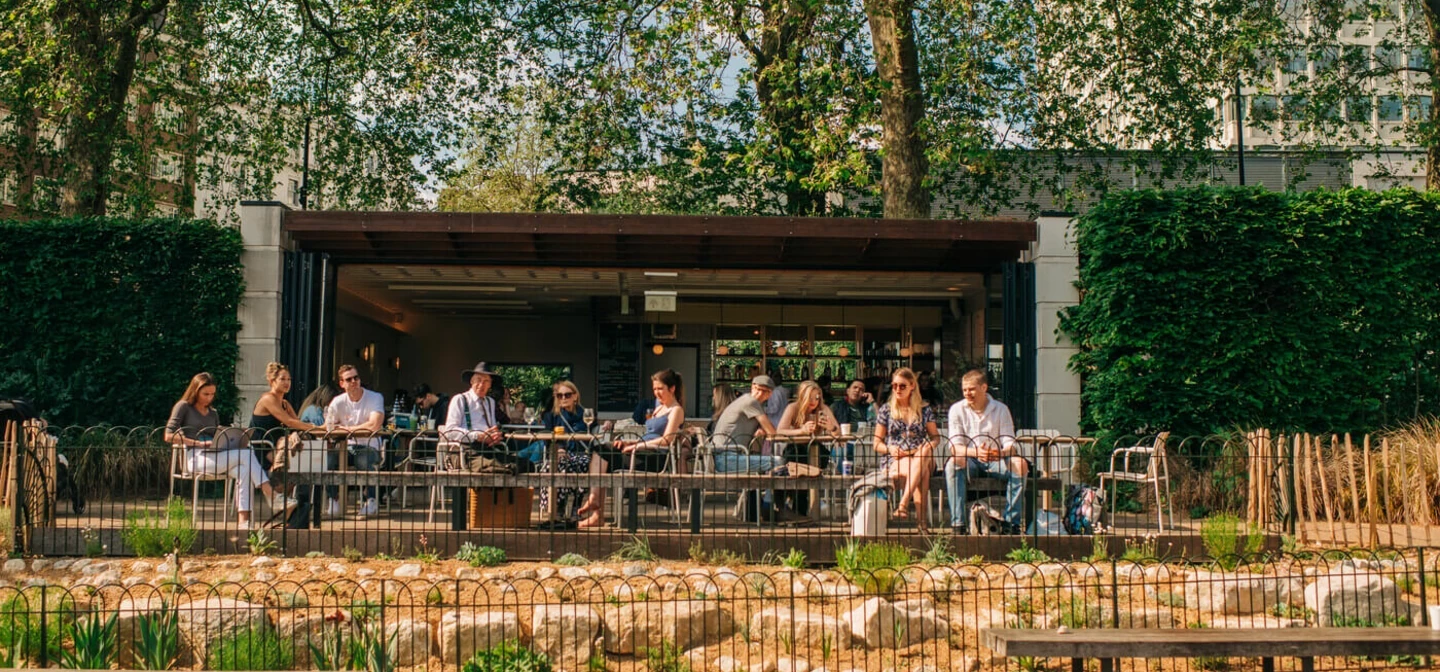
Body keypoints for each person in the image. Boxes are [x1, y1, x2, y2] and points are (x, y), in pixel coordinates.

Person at [165, 372, 294, 528]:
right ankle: (271, 494)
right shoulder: (184, 407)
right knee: (246, 455)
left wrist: (231, 439)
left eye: (212, 394)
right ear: (195, 391)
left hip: (216, 455)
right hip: (195, 456)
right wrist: (197, 443)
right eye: (205, 394)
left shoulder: (213, 413)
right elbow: (168, 435)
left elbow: (217, 436)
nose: (209, 398)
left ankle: (243, 522)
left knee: (243, 470)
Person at [578, 369, 685, 528]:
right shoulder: (658, 409)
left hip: (655, 457)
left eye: (660, 389)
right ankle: (596, 510)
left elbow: (667, 439)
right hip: (639, 452)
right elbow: (648, 434)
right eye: (654, 389)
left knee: (603, 453)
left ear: (672, 388)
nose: (657, 393)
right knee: (602, 452)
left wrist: (637, 446)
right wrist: (629, 443)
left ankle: (595, 507)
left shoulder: (676, 410)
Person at [945, 368, 1025, 534]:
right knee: (953, 463)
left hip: (997, 459)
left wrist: (1001, 452)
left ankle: (1011, 523)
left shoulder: (1001, 409)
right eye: (965, 390)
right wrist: (975, 452)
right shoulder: (956, 410)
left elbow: (1010, 442)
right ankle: (958, 525)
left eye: (971, 389)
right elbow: (954, 446)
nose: (967, 393)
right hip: (970, 460)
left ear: (984, 388)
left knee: (1020, 463)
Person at [874, 367, 939, 534]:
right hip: (897, 458)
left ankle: (903, 504)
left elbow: (935, 437)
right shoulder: (886, 410)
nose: (897, 389)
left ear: (912, 386)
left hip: (921, 454)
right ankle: (922, 525)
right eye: (894, 385)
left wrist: (927, 446)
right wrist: (889, 448)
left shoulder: (924, 409)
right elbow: (876, 443)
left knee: (923, 454)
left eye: (902, 386)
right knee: (920, 472)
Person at [710, 375, 817, 473]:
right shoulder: (751, 402)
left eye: (765, 391)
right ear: (752, 387)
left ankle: (768, 494)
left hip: (724, 456)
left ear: (770, 394)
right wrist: (800, 431)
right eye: (758, 389)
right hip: (726, 459)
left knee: (776, 461)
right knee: (779, 461)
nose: (760, 393)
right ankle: (774, 495)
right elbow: (773, 433)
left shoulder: (747, 400)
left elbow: (766, 430)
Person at [325, 364, 386, 518]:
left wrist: (346, 429)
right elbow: (329, 426)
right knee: (328, 460)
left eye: (356, 377)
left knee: (364, 460)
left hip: (369, 446)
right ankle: (333, 499)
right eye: (349, 379)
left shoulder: (374, 397)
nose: (354, 381)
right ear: (342, 383)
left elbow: (374, 425)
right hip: (346, 447)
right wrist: (356, 429)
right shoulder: (337, 401)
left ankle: (370, 500)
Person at [441, 362, 513, 471]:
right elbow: (449, 431)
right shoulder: (460, 399)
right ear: (471, 381)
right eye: (478, 380)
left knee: (525, 464)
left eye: (486, 381)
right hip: (464, 452)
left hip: (488, 450)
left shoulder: (490, 402)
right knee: (497, 468)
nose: (481, 384)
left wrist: (494, 436)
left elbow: (491, 428)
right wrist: (477, 436)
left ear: (490, 384)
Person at [250, 362, 321, 468]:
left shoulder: (285, 404)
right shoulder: (268, 399)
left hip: (279, 446)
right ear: (272, 381)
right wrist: (317, 428)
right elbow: (289, 422)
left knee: (302, 455)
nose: (287, 382)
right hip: (263, 447)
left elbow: (297, 422)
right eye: (282, 379)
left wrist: (317, 430)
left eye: (289, 379)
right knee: (291, 461)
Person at [539, 380, 592, 518]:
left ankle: (576, 505)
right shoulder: (552, 415)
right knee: (554, 465)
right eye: (559, 395)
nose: (563, 398)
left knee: (583, 464)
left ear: (575, 396)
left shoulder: (586, 415)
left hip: (581, 452)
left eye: (567, 395)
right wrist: (558, 449)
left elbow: (590, 436)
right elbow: (547, 436)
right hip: (559, 453)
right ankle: (558, 505)